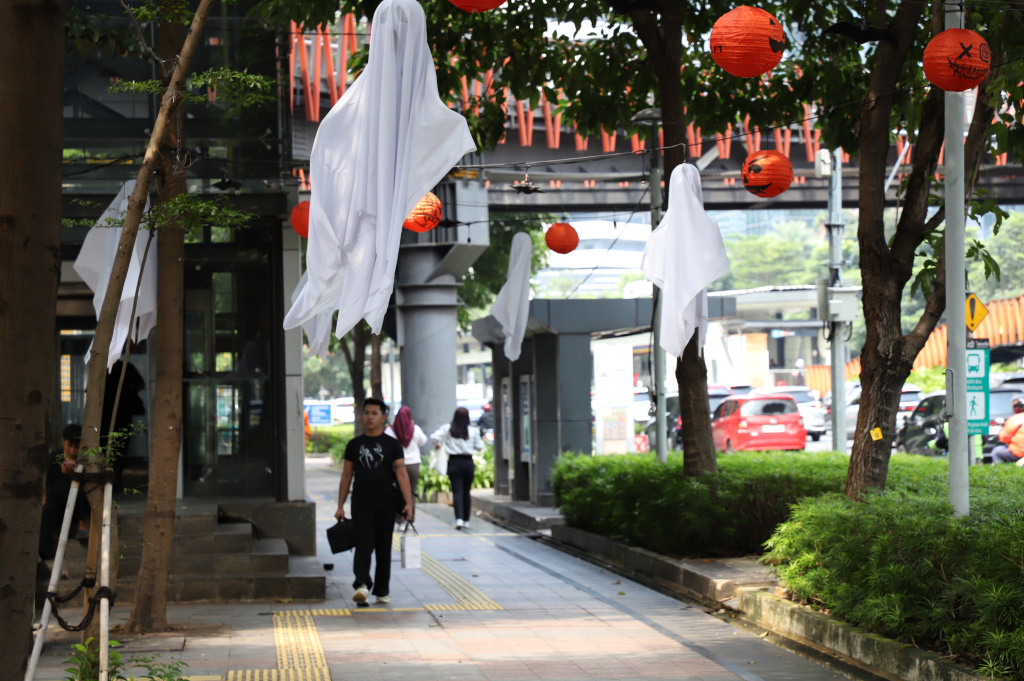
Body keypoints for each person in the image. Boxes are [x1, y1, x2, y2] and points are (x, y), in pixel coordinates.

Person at [335, 398, 414, 606]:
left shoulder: (392, 445)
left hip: (386, 500)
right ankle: (361, 584)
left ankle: (382, 589)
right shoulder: (354, 445)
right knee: (363, 543)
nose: (369, 417)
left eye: (374, 413)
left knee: (383, 546)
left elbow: (402, 475)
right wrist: (340, 506)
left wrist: (409, 503)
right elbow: (346, 476)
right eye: (366, 413)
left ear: (383, 417)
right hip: (361, 500)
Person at [39, 424, 91, 561]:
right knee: (48, 510)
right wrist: (44, 500)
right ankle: (41, 552)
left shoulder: (85, 460)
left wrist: (75, 472)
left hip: (77, 506)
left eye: (76, 446)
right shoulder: (54, 457)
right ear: (64, 441)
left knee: (78, 489)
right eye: (70, 445)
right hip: (56, 503)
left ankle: (83, 524)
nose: (72, 450)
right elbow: (44, 480)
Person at [431, 407, 485, 530]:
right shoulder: (473, 431)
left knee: (457, 491)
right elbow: (480, 447)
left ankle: (459, 519)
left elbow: (433, 437)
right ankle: (466, 520)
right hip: (468, 462)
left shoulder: (448, 429)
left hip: (454, 462)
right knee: (467, 492)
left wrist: (439, 446)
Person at [385, 406, 428, 516]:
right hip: (413, 465)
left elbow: (385, 445)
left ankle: (399, 519)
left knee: (398, 492)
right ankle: (409, 518)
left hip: (397, 465)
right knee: (411, 492)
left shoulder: (390, 430)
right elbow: (423, 441)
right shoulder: (415, 429)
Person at [992, 395, 1024, 464]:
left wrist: (1000, 432)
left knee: (996, 451)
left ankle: (1001, 472)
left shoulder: (1014, 419)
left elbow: (1004, 438)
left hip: (1020, 452)